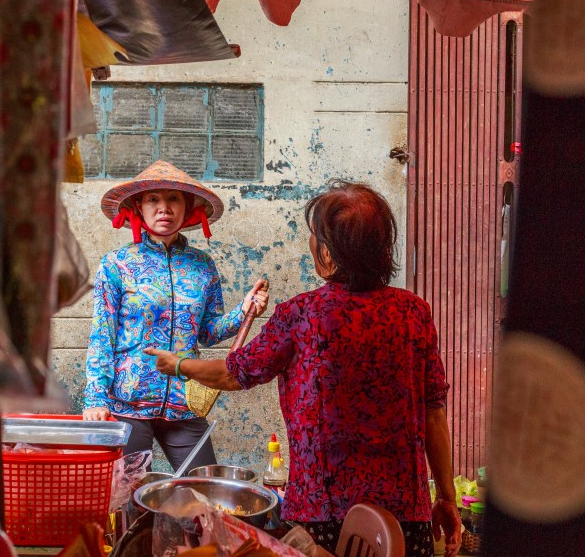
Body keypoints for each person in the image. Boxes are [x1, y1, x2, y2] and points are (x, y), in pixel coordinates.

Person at [146, 180, 463, 557]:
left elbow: (234, 373)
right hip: (404, 511)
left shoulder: (302, 315)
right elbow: (434, 411)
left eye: (315, 236)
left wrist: (179, 364)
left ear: (327, 253)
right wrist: (446, 497)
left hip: (320, 513)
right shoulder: (413, 312)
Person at [83, 160, 268, 471]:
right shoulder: (117, 264)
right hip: (128, 404)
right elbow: (103, 335)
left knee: (204, 490)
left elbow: (207, 332)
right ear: (139, 206)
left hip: (184, 401)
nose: (164, 208)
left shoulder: (202, 265)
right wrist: (96, 400)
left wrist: (243, 310)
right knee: (128, 493)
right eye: (153, 199)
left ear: (187, 208)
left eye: (173, 199)